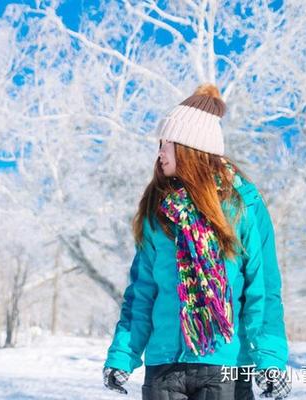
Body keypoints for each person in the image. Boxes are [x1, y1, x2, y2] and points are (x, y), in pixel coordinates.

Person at [102, 83, 291, 400]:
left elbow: (263, 290)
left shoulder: (243, 205)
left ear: (191, 149)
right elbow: (141, 294)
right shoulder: (158, 211)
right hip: (163, 369)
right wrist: (123, 355)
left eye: (167, 143)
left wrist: (270, 361)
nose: (160, 152)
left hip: (226, 369)